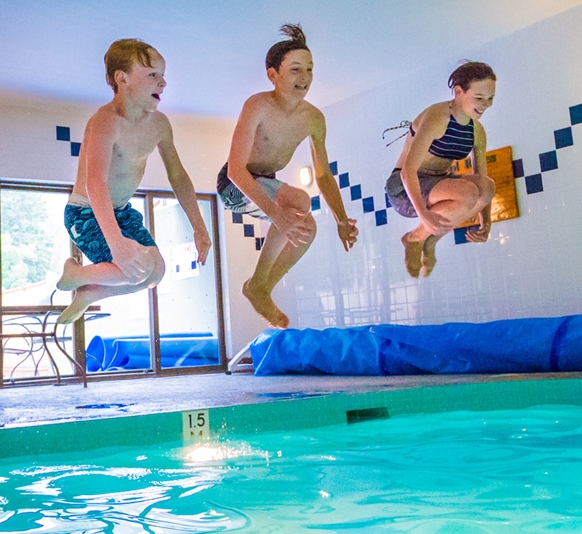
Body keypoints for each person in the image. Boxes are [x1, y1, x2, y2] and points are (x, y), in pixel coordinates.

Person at [55, 39, 211, 324]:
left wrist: (199, 228)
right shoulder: (105, 121)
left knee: (156, 271)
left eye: (163, 75)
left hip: (122, 211)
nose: (163, 83)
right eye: (153, 75)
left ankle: (89, 293)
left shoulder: (159, 124)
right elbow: (95, 184)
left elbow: (178, 176)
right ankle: (75, 275)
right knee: (134, 268)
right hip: (86, 212)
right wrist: (117, 244)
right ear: (122, 78)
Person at [219, 23, 357, 328]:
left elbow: (323, 176)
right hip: (233, 184)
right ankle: (258, 285)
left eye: (309, 69)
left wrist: (342, 220)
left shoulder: (314, 119)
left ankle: (260, 286)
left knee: (306, 226)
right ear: (273, 74)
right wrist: (277, 214)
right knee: (298, 200)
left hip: (266, 181)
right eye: (295, 69)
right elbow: (234, 170)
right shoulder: (257, 105)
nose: (305, 77)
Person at [385, 62, 496, 278]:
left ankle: (432, 239)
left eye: (490, 99)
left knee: (486, 187)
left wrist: (487, 222)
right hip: (404, 189)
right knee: (468, 193)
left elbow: (482, 178)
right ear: (458, 92)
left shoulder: (478, 132)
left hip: (437, 185)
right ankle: (414, 238)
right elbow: (408, 171)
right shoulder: (437, 118)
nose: (486, 105)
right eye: (479, 98)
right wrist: (424, 215)